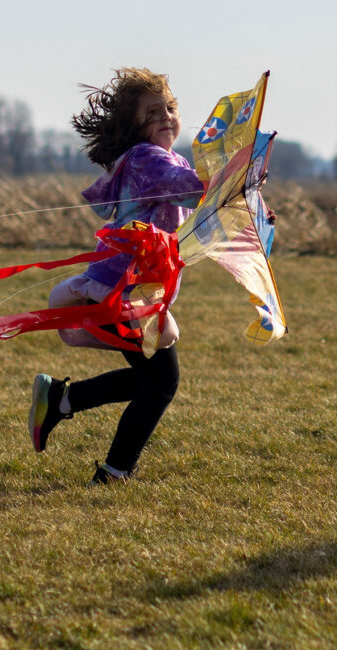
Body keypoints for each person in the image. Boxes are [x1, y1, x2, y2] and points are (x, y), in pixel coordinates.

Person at [27, 67, 205, 486]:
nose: (166, 116)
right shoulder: (148, 160)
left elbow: (199, 208)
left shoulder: (158, 158)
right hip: (122, 292)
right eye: (153, 112)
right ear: (133, 125)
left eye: (171, 108)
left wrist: (243, 195)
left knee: (151, 379)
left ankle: (60, 400)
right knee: (161, 383)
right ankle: (114, 470)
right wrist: (230, 177)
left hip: (129, 290)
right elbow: (187, 188)